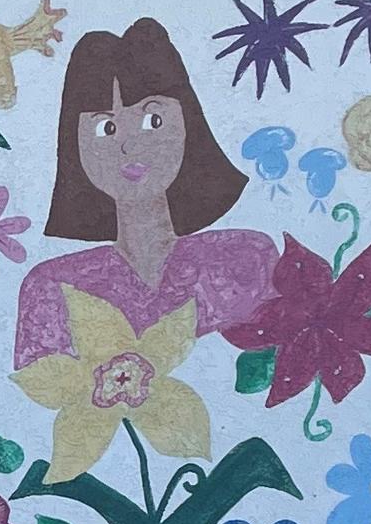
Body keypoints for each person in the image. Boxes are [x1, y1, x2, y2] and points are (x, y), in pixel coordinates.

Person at [14, 20, 273, 367]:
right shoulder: (53, 289)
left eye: (153, 120)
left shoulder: (246, 260)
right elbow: (39, 399)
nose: (128, 145)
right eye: (106, 128)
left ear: (187, 125)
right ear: (74, 145)